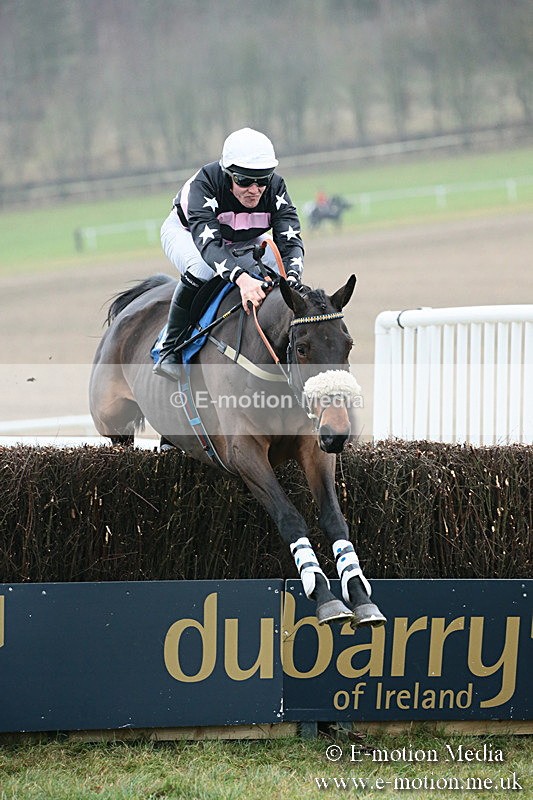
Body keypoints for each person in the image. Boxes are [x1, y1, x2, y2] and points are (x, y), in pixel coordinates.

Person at [154, 127, 305, 380]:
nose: (254, 189)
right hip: (189, 233)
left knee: (279, 267)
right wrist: (243, 279)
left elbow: (290, 242)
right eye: (244, 180)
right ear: (227, 174)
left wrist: (292, 278)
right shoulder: (204, 183)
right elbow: (210, 246)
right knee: (202, 269)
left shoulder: (276, 188)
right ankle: (169, 347)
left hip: (243, 236)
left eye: (262, 180)